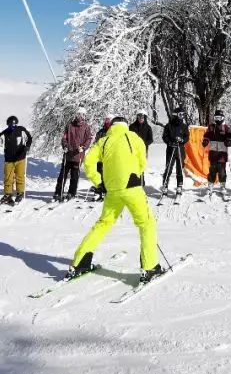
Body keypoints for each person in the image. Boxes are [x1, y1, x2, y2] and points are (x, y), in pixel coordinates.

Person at [65, 116, 163, 284]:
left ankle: (79, 263)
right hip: (132, 187)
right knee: (146, 224)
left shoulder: (103, 141)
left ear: (111, 126)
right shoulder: (133, 137)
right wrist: (135, 173)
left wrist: (99, 182)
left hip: (112, 190)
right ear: (125, 125)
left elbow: (88, 162)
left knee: (103, 223)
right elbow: (142, 161)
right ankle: (150, 267)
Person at [54, 109, 93, 202]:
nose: (80, 116)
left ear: (84, 116)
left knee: (74, 176)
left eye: (82, 115)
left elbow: (88, 139)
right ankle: (58, 192)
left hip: (78, 155)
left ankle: (71, 192)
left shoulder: (86, 127)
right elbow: (64, 137)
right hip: (68, 154)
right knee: (62, 175)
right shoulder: (69, 125)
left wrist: (83, 147)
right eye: (78, 114)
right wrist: (65, 146)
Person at [0, 115, 32, 205]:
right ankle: (8, 194)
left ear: (16, 124)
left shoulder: (21, 130)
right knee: (8, 177)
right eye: (10, 125)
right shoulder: (5, 133)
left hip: (20, 158)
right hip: (9, 159)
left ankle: (20, 193)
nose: (12, 126)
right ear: (8, 125)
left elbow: (29, 138)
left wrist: (27, 146)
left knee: (20, 176)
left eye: (14, 125)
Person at [201, 109, 231, 197]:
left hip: (222, 154)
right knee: (212, 171)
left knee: (222, 172)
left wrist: (229, 141)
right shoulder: (211, 127)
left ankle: (222, 187)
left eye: (219, 118)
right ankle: (210, 186)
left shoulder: (226, 128)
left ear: (222, 118)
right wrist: (205, 141)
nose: (217, 119)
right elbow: (206, 136)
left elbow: (230, 137)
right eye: (216, 117)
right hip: (213, 153)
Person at [160, 107, 188, 197]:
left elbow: (187, 137)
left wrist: (182, 140)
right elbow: (164, 137)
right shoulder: (169, 126)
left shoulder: (184, 126)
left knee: (179, 169)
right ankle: (165, 186)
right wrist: (170, 142)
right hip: (171, 150)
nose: (182, 116)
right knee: (168, 168)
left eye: (183, 115)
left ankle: (179, 186)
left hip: (180, 150)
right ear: (175, 115)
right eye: (180, 114)